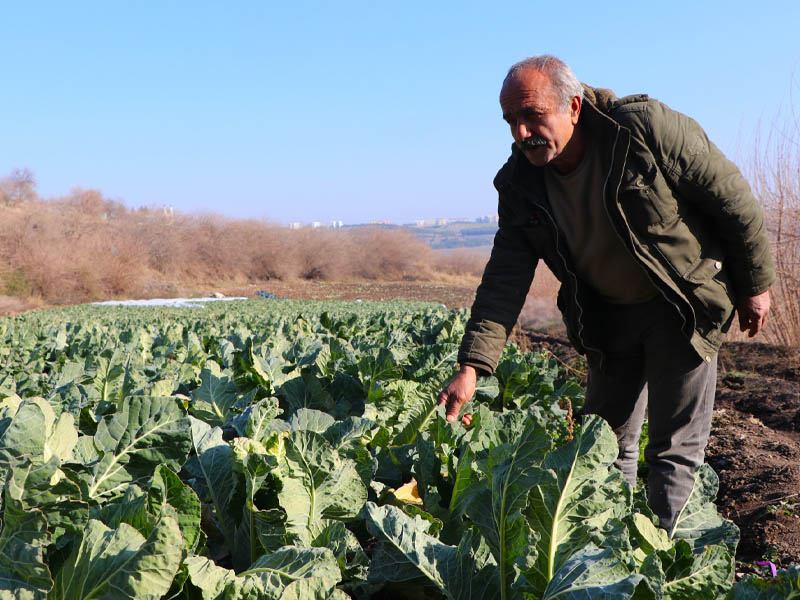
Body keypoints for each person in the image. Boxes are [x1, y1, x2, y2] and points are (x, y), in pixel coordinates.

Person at [437, 55, 775, 529]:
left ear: (573, 107)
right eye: (511, 120)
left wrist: (755, 285)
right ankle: (606, 562)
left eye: (533, 115)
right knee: (603, 450)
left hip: (680, 306)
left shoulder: (643, 131)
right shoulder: (519, 184)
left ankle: (664, 563)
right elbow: (504, 278)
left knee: (673, 450)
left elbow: (733, 200)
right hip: (606, 318)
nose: (520, 132)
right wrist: (472, 367)